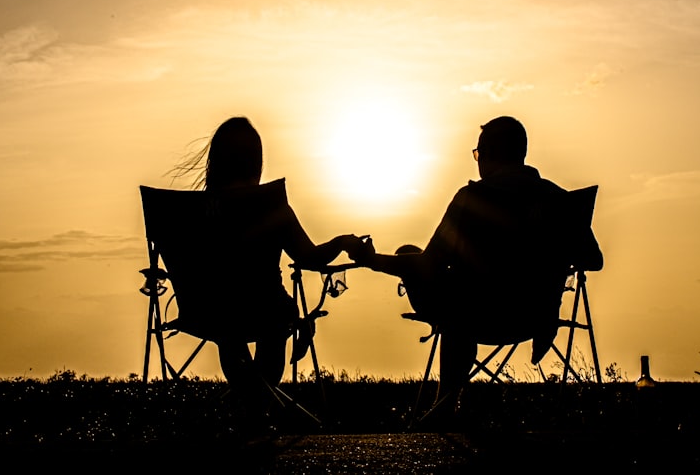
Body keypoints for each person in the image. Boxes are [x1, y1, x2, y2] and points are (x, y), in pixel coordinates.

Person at [354, 116, 602, 414]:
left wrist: (374, 261)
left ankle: (445, 404)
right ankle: (535, 327)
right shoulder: (559, 201)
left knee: (433, 279)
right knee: (463, 300)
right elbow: (594, 260)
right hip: (533, 316)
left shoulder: (471, 199)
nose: (477, 161)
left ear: (492, 153)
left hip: (476, 318)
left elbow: (428, 263)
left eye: (478, 153)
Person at [164, 116, 367, 406]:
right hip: (267, 310)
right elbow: (309, 258)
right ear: (255, 160)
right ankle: (260, 403)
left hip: (209, 311)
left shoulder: (189, 215)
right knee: (272, 329)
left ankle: (247, 402)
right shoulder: (271, 207)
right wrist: (343, 242)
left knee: (227, 324)